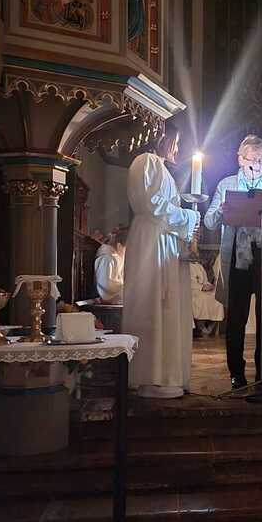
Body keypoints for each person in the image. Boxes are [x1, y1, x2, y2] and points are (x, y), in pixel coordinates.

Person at [204, 135, 262, 390]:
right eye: (253, 159)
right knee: (237, 316)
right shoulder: (226, 184)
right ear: (240, 160)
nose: (258, 165)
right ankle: (236, 372)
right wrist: (221, 211)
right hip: (237, 256)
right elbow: (209, 221)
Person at [122, 127, 200, 398]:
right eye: (175, 142)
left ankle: (166, 374)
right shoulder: (146, 161)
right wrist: (189, 218)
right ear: (162, 139)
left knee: (165, 308)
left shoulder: (160, 167)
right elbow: (152, 204)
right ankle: (151, 376)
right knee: (154, 304)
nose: (177, 149)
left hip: (163, 238)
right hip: (153, 241)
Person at [190, 260, 224, 336]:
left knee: (216, 298)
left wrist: (209, 286)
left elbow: (205, 280)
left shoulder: (199, 265)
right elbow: (188, 283)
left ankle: (211, 327)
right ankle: (201, 325)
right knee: (202, 299)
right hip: (193, 290)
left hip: (204, 290)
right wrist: (201, 287)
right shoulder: (185, 266)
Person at [94, 231, 124, 303]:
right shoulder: (107, 258)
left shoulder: (116, 257)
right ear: (119, 246)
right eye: (126, 249)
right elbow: (106, 283)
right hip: (106, 298)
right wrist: (124, 287)